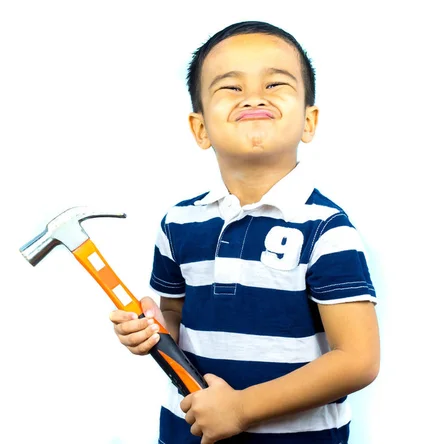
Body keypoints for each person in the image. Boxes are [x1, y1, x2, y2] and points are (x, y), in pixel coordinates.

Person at [109, 21, 380, 444]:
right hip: (189, 433)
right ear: (200, 128)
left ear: (309, 122)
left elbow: (358, 360)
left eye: (275, 84)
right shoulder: (179, 223)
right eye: (231, 88)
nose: (254, 96)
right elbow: (177, 321)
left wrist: (241, 409)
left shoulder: (326, 229)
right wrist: (153, 331)